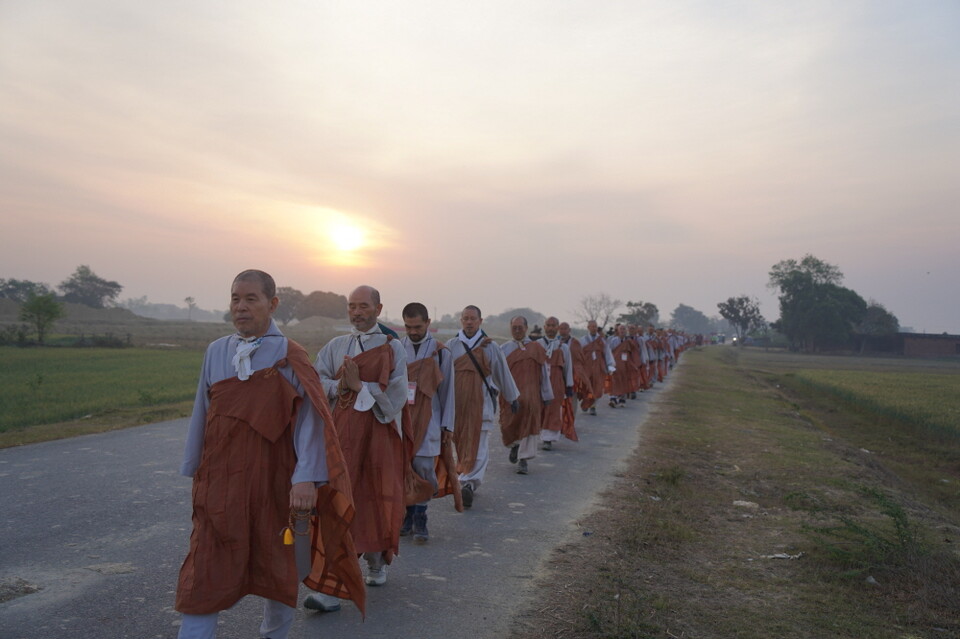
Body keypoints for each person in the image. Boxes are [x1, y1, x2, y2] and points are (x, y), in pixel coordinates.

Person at [175, 269, 363, 639]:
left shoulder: (290, 355)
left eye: (250, 299)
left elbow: (310, 419)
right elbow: (203, 412)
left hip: (274, 481)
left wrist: (306, 477)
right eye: (235, 299)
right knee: (206, 567)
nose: (241, 308)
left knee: (277, 566)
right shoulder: (217, 351)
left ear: (272, 304)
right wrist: (195, 468)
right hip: (221, 481)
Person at [304, 285, 407, 612]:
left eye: (363, 306)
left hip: (377, 437)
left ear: (378, 308)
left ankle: (376, 561)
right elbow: (315, 381)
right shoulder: (336, 346)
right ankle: (331, 587)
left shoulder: (392, 349)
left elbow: (397, 395)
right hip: (339, 437)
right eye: (352, 306)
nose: (357, 312)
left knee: (373, 500)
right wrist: (340, 386)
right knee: (337, 502)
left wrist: (360, 387)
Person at [446, 305, 519, 507]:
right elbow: (441, 377)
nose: (469, 322)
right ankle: (464, 476)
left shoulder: (490, 347)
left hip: (482, 404)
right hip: (457, 406)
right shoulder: (451, 346)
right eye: (465, 318)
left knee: (479, 444)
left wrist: (512, 398)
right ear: (461, 321)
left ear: (480, 321)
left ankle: (468, 483)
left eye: (473, 318)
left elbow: (502, 374)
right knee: (461, 444)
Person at [398, 302, 456, 543]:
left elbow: (448, 393)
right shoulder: (397, 349)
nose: (413, 331)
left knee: (424, 469)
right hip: (402, 422)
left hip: (430, 421)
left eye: (418, 326)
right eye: (408, 327)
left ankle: (421, 516)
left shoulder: (440, 352)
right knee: (403, 470)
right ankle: (408, 515)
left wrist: (447, 426)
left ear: (428, 323)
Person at [500, 315, 553, 475]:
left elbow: (544, 373)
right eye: (514, 327)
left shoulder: (536, 348)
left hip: (531, 396)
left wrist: (547, 395)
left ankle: (523, 460)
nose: (517, 330)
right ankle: (514, 445)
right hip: (509, 396)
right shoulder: (503, 349)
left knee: (529, 425)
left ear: (526, 328)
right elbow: (497, 374)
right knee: (508, 424)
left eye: (520, 327)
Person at [537, 317, 576, 450]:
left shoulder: (563, 347)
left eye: (554, 325)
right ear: (544, 327)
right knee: (539, 409)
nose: (551, 328)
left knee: (553, 410)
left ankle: (548, 438)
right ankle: (539, 432)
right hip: (539, 382)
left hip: (556, 382)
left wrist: (569, 385)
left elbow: (568, 367)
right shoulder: (536, 345)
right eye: (548, 325)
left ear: (557, 327)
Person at [579, 320, 616, 415]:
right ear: (588, 327)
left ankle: (593, 406)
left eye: (595, 326)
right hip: (586, 368)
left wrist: (610, 365)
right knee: (586, 387)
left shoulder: (602, 341)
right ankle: (586, 402)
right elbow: (578, 355)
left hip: (599, 368)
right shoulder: (582, 340)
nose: (593, 328)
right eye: (591, 326)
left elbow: (607, 353)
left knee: (598, 387)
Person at [607, 324, 638, 407]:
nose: (622, 331)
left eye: (624, 329)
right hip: (615, 364)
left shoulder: (629, 341)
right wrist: (609, 364)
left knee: (624, 380)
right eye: (621, 329)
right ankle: (613, 398)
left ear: (626, 331)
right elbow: (609, 352)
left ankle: (622, 398)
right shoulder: (613, 340)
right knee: (614, 380)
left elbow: (633, 353)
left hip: (625, 364)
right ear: (618, 330)